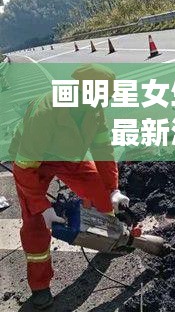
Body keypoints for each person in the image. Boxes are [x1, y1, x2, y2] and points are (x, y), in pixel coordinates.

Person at [9, 64, 130, 310]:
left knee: (101, 197)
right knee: (34, 222)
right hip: (35, 162)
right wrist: (43, 207)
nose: (103, 102)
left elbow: (103, 150)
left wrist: (112, 189)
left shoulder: (94, 109)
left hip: (69, 157)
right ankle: (40, 287)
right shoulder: (46, 112)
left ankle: (111, 240)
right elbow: (24, 168)